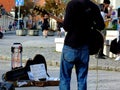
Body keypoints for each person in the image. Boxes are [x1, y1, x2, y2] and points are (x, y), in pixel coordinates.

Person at [59, 0, 105, 90]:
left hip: (70, 45)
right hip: (85, 47)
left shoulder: (72, 4)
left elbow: (66, 27)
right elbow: (101, 26)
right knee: (82, 79)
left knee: (65, 78)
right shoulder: (93, 6)